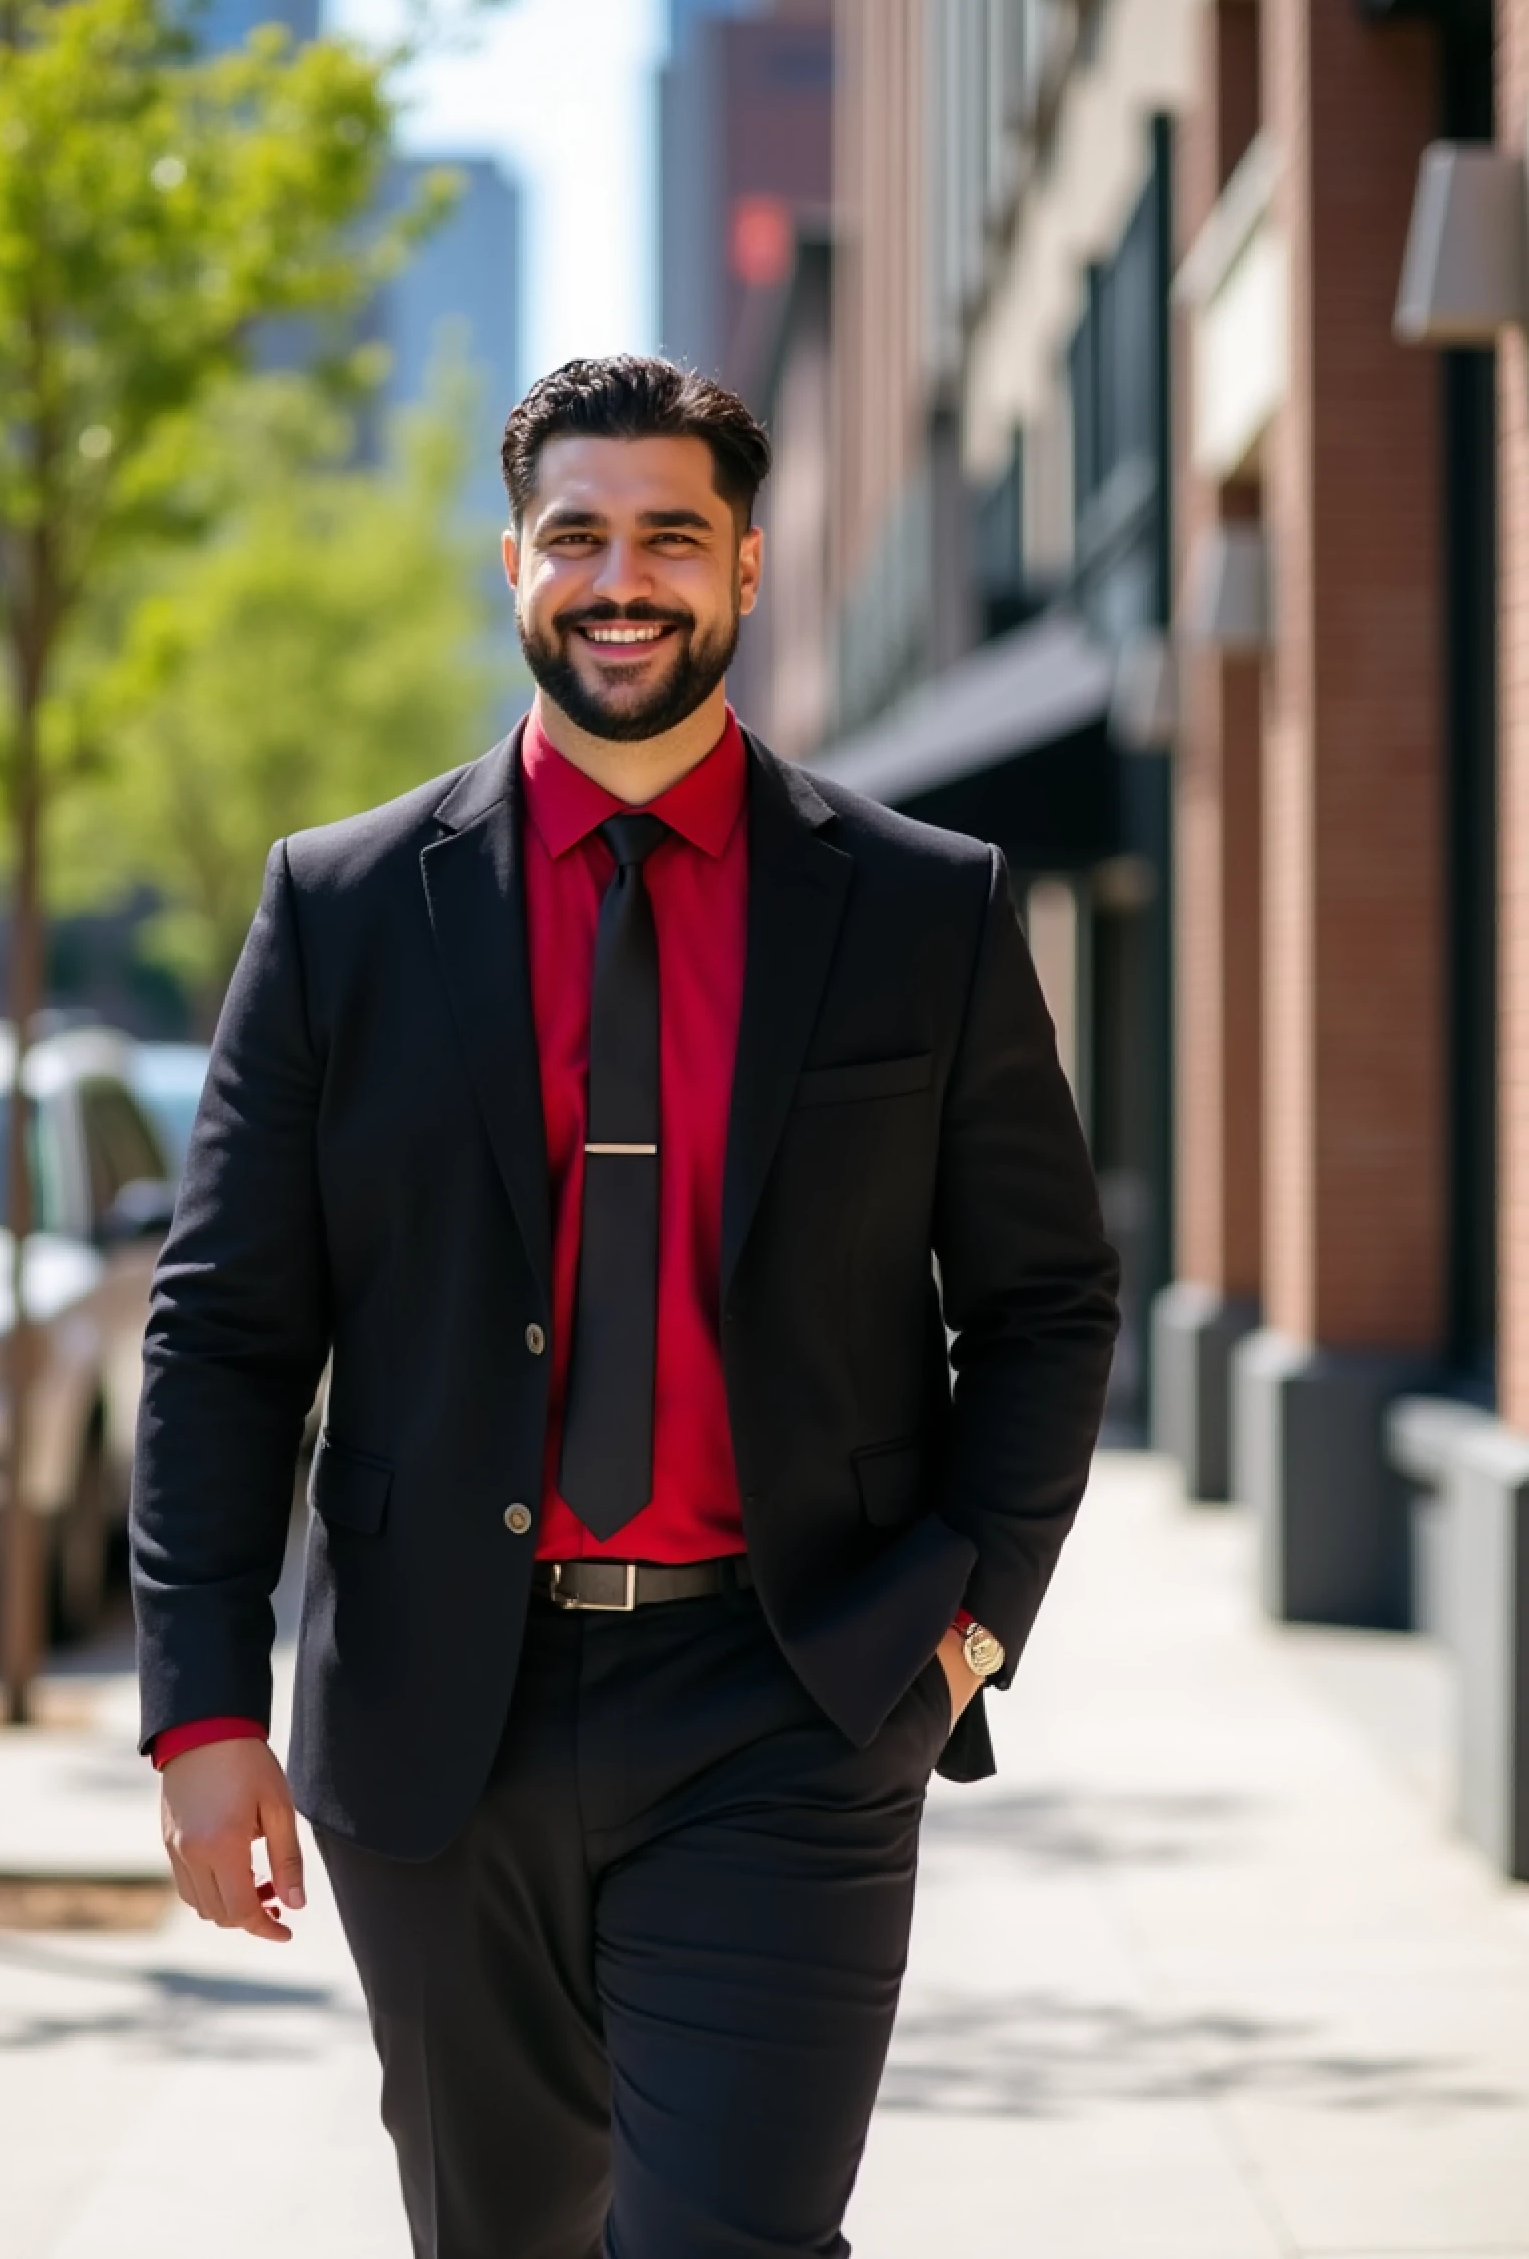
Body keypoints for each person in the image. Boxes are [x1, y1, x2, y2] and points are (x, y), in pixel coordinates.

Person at [132, 354, 1120, 2259]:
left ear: (748, 563)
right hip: (442, 1713)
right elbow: (226, 1327)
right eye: (575, 535)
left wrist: (972, 1620)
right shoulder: (343, 912)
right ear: (512, 564)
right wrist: (199, 1714)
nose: (622, 579)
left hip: (794, 1697)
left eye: (672, 534)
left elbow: (1048, 1300)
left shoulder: (923, 906)